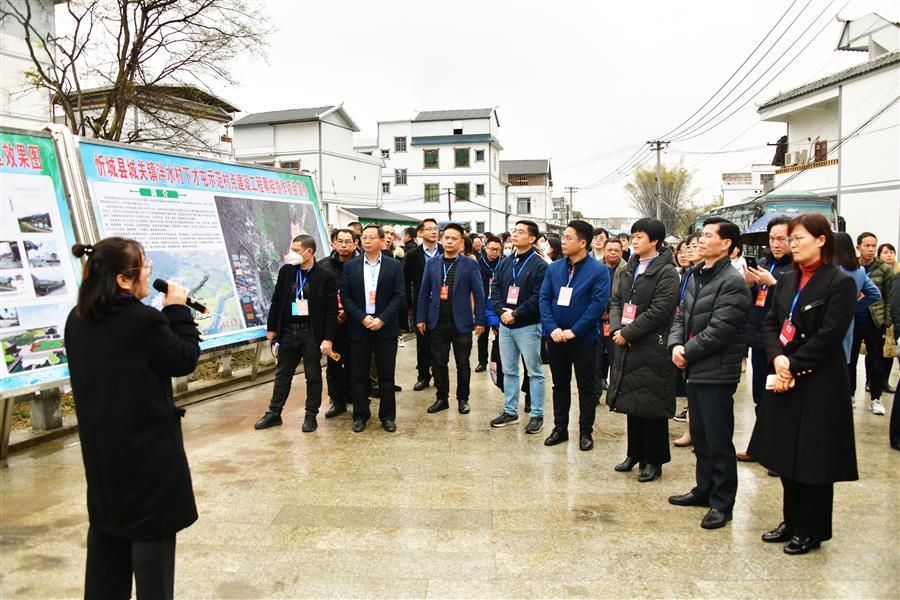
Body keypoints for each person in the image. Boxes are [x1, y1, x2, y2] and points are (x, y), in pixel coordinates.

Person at [65, 238, 200, 599]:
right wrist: (176, 310)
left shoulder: (76, 319)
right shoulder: (143, 321)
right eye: (144, 267)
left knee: (106, 557)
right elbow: (183, 358)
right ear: (124, 280)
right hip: (147, 465)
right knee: (152, 564)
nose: (148, 273)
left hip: (104, 461)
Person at [749, 214, 859, 555]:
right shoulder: (785, 280)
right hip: (785, 376)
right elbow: (769, 324)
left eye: (799, 239)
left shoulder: (839, 282)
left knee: (814, 458)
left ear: (821, 240)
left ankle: (811, 530)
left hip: (819, 382)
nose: (792, 245)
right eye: (790, 239)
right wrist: (778, 359)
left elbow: (829, 335)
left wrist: (793, 365)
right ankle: (790, 521)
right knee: (785, 453)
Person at [668, 217, 751, 530]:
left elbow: (719, 330)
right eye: (700, 235)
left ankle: (722, 503)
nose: (700, 241)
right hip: (694, 367)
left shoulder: (732, 281)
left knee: (718, 440)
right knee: (701, 437)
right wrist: (676, 345)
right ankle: (703, 489)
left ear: (726, 243)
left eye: (707, 236)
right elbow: (680, 315)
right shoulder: (694, 274)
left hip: (716, 371)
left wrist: (686, 352)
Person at [607, 218, 679, 482]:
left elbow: (661, 310)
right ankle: (634, 454)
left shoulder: (667, 271)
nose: (634, 241)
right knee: (631, 401)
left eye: (639, 237)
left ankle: (654, 460)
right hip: (625, 341)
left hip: (652, 345)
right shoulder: (629, 267)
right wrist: (617, 328)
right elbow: (616, 300)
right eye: (633, 237)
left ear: (655, 241)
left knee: (652, 405)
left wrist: (628, 333)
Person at [255, 235, 338, 432]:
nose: (291, 254)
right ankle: (274, 413)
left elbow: (331, 310)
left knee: (313, 376)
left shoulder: (324, 276)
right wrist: (272, 328)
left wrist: (328, 338)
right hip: (287, 332)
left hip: (311, 333)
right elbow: (276, 301)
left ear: (309, 252)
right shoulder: (287, 272)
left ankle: (311, 415)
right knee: (282, 375)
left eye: (296, 250)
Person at [540, 220, 610, 450]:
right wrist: (553, 329)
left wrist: (574, 331)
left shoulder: (598, 270)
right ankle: (560, 428)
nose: (563, 241)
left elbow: (597, 305)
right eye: (564, 237)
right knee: (559, 385)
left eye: (569, 237)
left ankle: (585, 432)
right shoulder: (554, 268)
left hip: (584, 339)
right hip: (557, 338)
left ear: (583, 242)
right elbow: (544, 299)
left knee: (586, 387)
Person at [340, 225, 406, 433]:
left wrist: (382, 319)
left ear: (381, 241)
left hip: (385, 328)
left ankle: (387, 416)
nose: (366, 241)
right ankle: (360, 415)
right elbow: (346, 296)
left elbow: (399, 296)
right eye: (364, 238)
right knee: (358, 374)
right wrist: (362, 318)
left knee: (386, 375)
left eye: (371, 238)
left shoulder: (393, 266)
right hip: (360, 327)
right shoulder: (351, 267)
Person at [738, 216, 793, 461]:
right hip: (759, 340)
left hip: (784, 346)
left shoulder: (795, 269)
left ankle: (779, 452)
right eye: (772, 239)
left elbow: (794, 304)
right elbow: (753, 301)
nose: (776, 244)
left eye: (782, 239)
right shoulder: (763, 262)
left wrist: (774, 284)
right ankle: (760, 446)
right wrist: (749, 284)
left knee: (779, 398)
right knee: (760, 396)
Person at [416, 223, 485, 414]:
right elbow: (423, 293)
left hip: (461, 322)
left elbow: (479, 294)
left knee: (463, 363)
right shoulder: (433, 263)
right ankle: (442, 398)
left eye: (453, 238)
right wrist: (420, 317)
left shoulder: (470, 264)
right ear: (441, 239)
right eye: (446, 237)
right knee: (439, 362)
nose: (448, 241)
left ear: (461, 243)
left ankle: (463, 399)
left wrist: (480, 321)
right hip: (437, 322)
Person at [489, 220, 549, 433]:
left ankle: (537, 414)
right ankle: (510, 410)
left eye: (520, 232)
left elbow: (538, 296)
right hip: (505, 325)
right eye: (514, 231)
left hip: (527, 325)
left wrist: (515, 314)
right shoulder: (505, 262)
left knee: (534, 372)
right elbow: (494, 288)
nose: (514, 234)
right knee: (509, 370)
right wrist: (501, 312)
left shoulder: (540, 265)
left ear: (532, 239)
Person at [851, 232, 893, 414]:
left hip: (875, 322)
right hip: (853, 321)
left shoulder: (884, 268)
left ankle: (875, 398)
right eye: (867, 245)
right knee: (849, 360)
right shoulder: (851, 267)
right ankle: (850, 394)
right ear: (858, 247)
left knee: (876, 361)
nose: (871, 249)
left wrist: (887, 320)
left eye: (874, 245)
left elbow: (890, 296)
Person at [319, 228, 358, 418]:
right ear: (333, 244)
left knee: (357, 363)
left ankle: (357, 398)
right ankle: (337, 401)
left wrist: (350, 313)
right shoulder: (323, 267)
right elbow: (317, 297)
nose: (344, 246)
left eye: (348, 242)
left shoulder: (363, 264)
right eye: (340, 242)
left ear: (355, 244)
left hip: (357, 323)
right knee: (334, 363)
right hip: (332, 325)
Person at [404, 218, 442, 391]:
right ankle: (423, 376)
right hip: (422, 303)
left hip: (442, 303)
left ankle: (440, 376)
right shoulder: (413, 255)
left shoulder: (444, 251)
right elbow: (405, 281)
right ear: (420, 233)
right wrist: (409, 307)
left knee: (440, 343)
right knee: (423, 342)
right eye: (429, 229)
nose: (434, 231)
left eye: (436, 228)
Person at [596, 238, 627, 394]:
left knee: (616, 359)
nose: (613, 253)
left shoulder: (627, 270)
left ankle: (615, 392)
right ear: (604, 250)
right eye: (610, 250)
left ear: (622, 252)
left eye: (617, 250)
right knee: (595, 359)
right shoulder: (595, 267)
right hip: (595, 320)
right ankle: (595, 392)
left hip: (616, 322)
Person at [476, 234, 503, 372]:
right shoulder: (478, 264)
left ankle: (497, 359)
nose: (494, 252)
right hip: (482, 302)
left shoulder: (504, 263)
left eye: (497, 249)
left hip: (499, 303)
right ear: (485, 248)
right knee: (482, 334)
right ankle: (482, 361)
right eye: (492, 249)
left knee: (499, 333)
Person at [878, 242, 898, 393]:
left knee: (890, 351)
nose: (889, 255)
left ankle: (885, 381)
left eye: (891, 252)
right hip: (879, 314)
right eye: (885, 252)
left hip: (893, 316)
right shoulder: (876, 270)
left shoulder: (898, 271)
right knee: (874, 351)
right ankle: (871, 381)